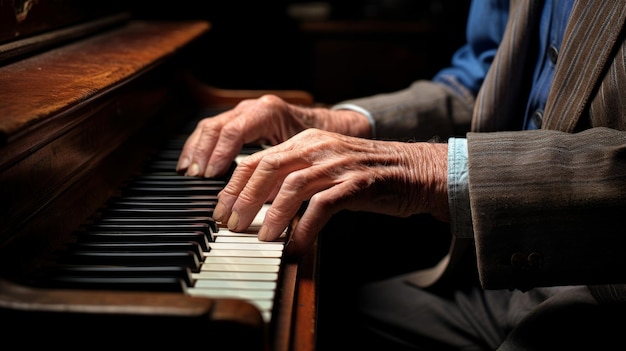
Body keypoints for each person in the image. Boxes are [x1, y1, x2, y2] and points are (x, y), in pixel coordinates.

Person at [176, 0, 626, 349]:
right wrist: (341, 121)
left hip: (605, 297)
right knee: (330, 314)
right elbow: (479, 79)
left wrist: (426, 168)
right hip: (499, 282)